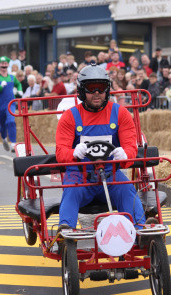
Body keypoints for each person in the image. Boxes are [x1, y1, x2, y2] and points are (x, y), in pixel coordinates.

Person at [55, 63, 146, 231]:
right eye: (91, 88)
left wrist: (125, 154)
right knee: (71, 193)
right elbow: (60, 152)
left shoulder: (121, 113)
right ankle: (65, 231)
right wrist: (74, 153)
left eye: (101, 87)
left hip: (111, 174)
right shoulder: (70, 116)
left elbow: (131, 147)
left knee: (127, 190)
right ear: (82, 90)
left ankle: (140, 230)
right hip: (79, 176)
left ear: (107, 89)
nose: (97, 93)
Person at [0, 56, 23, 152]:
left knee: (11, 121)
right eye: (2, 64)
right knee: (3, 126)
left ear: (8, 65)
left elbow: (18, 84)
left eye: (5, 64)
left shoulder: (12, 77)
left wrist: (19, 90)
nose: (4, 66)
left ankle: (13, 144)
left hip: (10, 104)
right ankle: (4, 138)